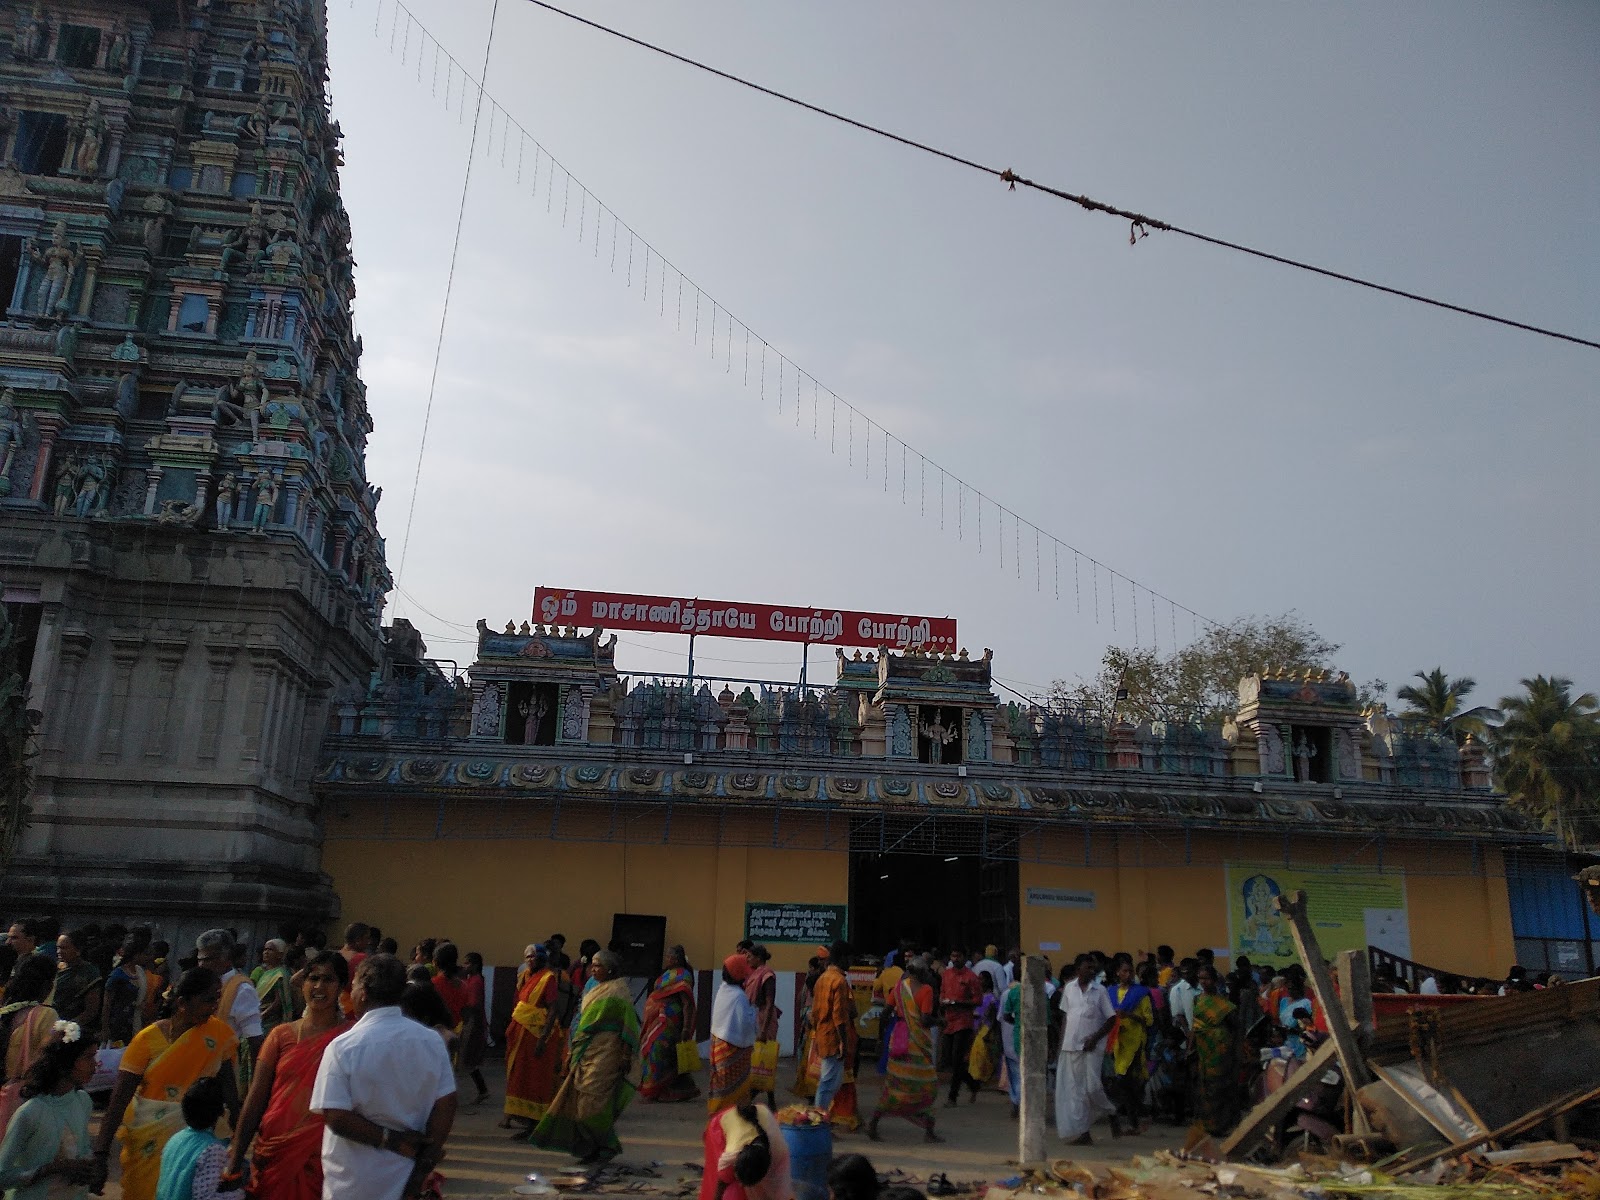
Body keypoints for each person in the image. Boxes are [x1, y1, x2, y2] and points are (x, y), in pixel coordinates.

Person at [310, 954, 457, 1200]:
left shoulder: (344, 1046)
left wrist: (391, 1140)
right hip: (406, 1175)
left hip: (353, 1180)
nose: (352, 992)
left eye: (354, 985)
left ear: (364, 991)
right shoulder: (430, 1041)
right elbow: (446, 1106)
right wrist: (420, 1172)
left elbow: (336, 1117)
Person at [92, 968, 239, 1200]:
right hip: (148, 1139)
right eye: (209, 999)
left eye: (217, 999)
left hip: (202, 1141)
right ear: (182, 1003)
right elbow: (118, 1100)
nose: (215, 1006)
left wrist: (239, 1147)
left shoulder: (219, 1035)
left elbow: (231, 1094)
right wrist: (100, 1155)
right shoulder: (146, 1040)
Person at [225, 951, 352, 1200]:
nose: (318, 986)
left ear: (341, 987)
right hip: (274, 1150)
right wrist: (237, 1154)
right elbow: (256, 1098)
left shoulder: (351, 1037)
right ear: (303, 983)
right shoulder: (281, 1035)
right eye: (312, 978)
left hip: (322, 1155)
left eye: (328, 980)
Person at [529, 949, 640, 1164]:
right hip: (586, 1051)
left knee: (592, 1103)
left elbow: (628, 1026)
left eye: (598, 965)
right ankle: (596, 1148)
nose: (593, 969)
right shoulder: (596, 988)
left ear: (610, 969)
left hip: (607, 1054)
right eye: (592, 965)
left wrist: (626, 1056)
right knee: (579, 1099)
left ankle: (601, 1145)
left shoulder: (618, 991)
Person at [0, 1023, 99, 1199]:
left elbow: (83, 1150)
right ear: (65, 1064)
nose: (95, 1064)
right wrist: (51, 1169)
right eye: (88, 1057)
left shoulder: (82, 1101)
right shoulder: (31, 1112)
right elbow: (3, 1176)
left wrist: (87, 1168)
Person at [867, 957, 942, 1143]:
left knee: (894, 1085)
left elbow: (885, 1013)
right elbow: (925, 1020)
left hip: (899, 1038)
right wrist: (940, 1021)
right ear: (923, 973)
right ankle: (929, 1133)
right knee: (928, 1085)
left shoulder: (899, 988)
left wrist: (881, 1039)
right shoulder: (926, 990)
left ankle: (874, 1124)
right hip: (918, 1042)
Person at [503, 945, 566, 1131]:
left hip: (537, 1034)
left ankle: (535, 1121)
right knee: (517, 1074)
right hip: (520, 1033)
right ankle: (517, 1115)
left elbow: (553, 1009)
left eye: (533, 956)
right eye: (526, 957)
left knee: (535, 1078)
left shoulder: (549, 978)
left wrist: (543, 1038)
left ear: (541, 958)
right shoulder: (524, 977)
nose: (529, 960)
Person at [1054, 954, 1116, 1145]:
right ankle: (1084, 1133)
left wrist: (1095, 1038)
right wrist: (1060, 1045)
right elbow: (1066, 1017)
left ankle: (1111, 1111)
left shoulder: (1100, 991)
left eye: (1093, 968)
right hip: (1071, 1046)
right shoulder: (1069, 989)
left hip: (1093, 1047)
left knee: (1092, 1087)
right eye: (1088, 968)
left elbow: (1111, 1019)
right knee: (1075, 1091)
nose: (1091, 972)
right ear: (1078, 969)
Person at [194, 930, 262, 1095]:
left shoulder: (241, 989)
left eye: (209, 959)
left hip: (222, 1076)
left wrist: (257, 1087)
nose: (202, 965)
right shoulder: (198, 983)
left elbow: (255, 1041)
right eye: (200, 960)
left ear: (226, 959)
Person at [2, 956, 61, 1144]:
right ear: (48, 985)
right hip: (27, 1096)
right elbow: (50, 1060)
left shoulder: (5, 1014)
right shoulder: (46, 1015)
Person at [639, 945, 700, 1103]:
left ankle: (658, 1088)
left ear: (675, 959)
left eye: (668, 957)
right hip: (657, 1018)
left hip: (669, 1020)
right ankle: (662, 1090)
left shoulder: (683, 975)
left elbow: (686, 1003)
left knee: (659, 1051)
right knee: (657, 1052)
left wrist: (686, 1027)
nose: (666, 959)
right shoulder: (667, 974)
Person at [153, 1077, 228, 1200]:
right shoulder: (213, 1149)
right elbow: (206, 1196)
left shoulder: (174, 1139)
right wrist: (240, 1192)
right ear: (220, 1112)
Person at [700, 1101, 790, 1200]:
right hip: (720, 1127)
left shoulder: (779, 1152)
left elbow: (778, 1187)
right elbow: (722, 1181)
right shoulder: (732, 1154)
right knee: (732, 1191)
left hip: (758, 1114)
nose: (742, 1185)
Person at [1104, 958, 1153, 1136]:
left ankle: (1135, 1118)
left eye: (1130, 971)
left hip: (1134, 1043)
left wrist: (1129, 1016)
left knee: (1124, 1081)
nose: (1128, 974)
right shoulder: (1110, 992)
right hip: (1117, 1042)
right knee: (1126, 1083)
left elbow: (1148, 1020)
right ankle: (1138, 1117)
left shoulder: (1141, 994)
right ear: (1117, 972)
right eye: (1124, 971)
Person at [1188, 964, 1238, 1135]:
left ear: (1214, 980)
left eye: (1206, 978)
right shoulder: (1197, 999)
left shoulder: (1225, 1005)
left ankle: (1222, 1124)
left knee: (1219, 1086)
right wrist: (1190, 1048)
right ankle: (1207, 1124)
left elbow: (1234, 1028)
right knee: (1203, 1087)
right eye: (1201, 978)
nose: (1203, 982)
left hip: (1219, 1050)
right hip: (1202, 1049)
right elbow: (1194, 1027)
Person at [809, 943, 856, 1120]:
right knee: (829, 1083)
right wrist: (844, 1041)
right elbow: (839, 1016)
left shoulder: (823, 978)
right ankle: (818, 1121)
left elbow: (814, 1012)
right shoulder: (839, 981)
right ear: (843, 958)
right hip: (833, 1037)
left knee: (830, 1081)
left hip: (822, 1033)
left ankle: (820, 1118)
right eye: (850, 959)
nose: (851, 963)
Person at [708, 955, 757, 1115]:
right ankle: (733, 1115)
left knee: (720, 1082)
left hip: (718, 1044)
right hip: (732, 1047)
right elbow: (745, 1023)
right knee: (735, 1086)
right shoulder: (738, 996)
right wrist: (754, 1011)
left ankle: (718, 1113)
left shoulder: (723, 990)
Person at [937, 948, 981, 1107]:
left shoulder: (971, 977)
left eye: (958, 955)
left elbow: (978, 1000)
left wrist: (960, 1003)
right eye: (953, 955)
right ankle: (973, 1084)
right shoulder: (946, 975)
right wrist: (942, 1003)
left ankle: (952, 1097)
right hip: (949, 1020)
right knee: (948, 1059)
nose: (955, 958)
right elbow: (941, 993)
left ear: (964, 957)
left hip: (963, 1021)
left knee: (957, 1058)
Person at [744, 947, 780, 1108]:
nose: (747, 959)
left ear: (759, 958)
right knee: (760, 1059)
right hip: (755, 1017)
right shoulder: (753, 973)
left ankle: (754, 1096)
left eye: (750, 956)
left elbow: (770, 1001)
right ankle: (769, 1099)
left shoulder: (767, 975)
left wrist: (764, 1029)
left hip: (764, 1018)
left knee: (764, 1059)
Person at [49, 933, 102, 1028]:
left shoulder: (89, 973)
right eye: (58, 948)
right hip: (49, 1022)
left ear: (78, 950)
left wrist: (68, 1027)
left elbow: (91, 1010)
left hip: (72, 1029)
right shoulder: (53, 969)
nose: (59, 952)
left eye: (64, 948)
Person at [459, 952, 490, 1106]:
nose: (465, 966)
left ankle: (483, 1090)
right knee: (468, 1060)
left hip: (474, 1023)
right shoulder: (473, 979)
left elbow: (474, 1004)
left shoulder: (476, 981)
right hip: (473, 1022)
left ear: (475, 965)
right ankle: (483, 1090)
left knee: (468, 1060)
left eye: (467, 963)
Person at [250, 940, 293, 1035]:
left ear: (280, 955)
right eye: (265, 949)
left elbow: (278, 1001)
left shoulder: (281, 974)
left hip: (269, 1022)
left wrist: (262, 1015)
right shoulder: (266, 973)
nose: (266, 952)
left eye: (270, 950)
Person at [999, 973, 1022, 1117]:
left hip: (1009, 1039)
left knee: (1014, 1074)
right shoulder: (1038, 992)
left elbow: (1002, 1017)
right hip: (1018, 1038)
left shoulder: (1007, 993)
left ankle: (1016, 1103)